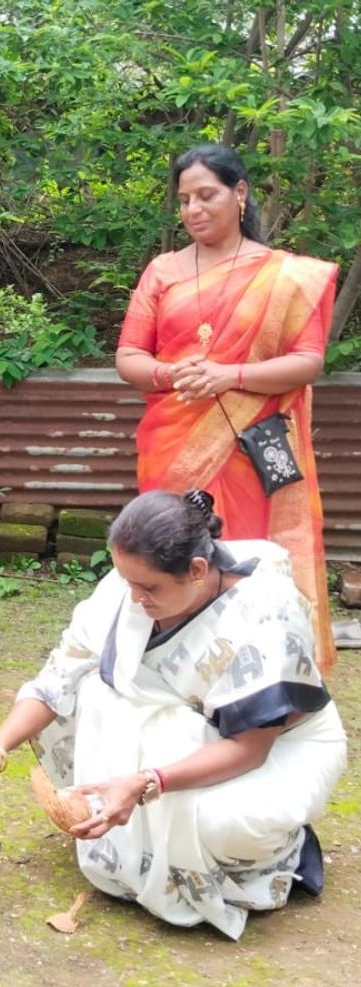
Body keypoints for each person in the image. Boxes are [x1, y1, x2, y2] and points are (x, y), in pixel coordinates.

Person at [0, 490, 346, 940]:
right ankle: (137, 844)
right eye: (127, 582)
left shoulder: (265, 615)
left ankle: (286, 849)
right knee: (95, 692)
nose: (134, 599)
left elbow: (250, 748)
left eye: (149, 588)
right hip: (182, 732)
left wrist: (146, 783)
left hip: (274, 749)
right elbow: (58, 676)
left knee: (224, 826)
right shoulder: (128, 587)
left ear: (197, 571)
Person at [115, 144, 338, 672]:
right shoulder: (163, 271)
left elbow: (307, 362)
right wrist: (171, 374)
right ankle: (168, 670)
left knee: (245, 561)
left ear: (239, 193)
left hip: (248, 448)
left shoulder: (284, 276)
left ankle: (255, 674)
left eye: (207, 195)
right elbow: (128, 357)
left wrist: (228, 375)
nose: (193, 209)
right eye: (184, 199)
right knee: (168, 555)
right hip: (172, 445)